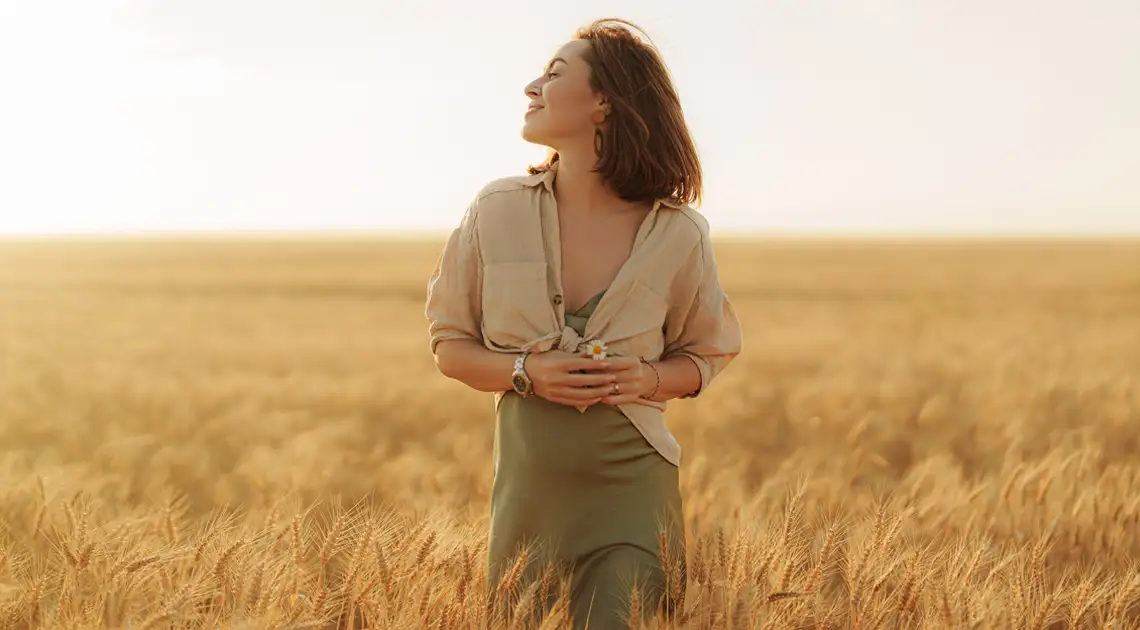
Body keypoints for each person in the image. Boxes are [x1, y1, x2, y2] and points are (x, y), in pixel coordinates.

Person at [424, 17, 743, 629]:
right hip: (528, 507)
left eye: (555, 73)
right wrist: (526, 372)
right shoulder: (495, 209)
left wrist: (647, 380)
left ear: (604, 102)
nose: (532, 87)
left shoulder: (678, 232)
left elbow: (706, 354)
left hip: (633, 497)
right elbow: (449, 345)